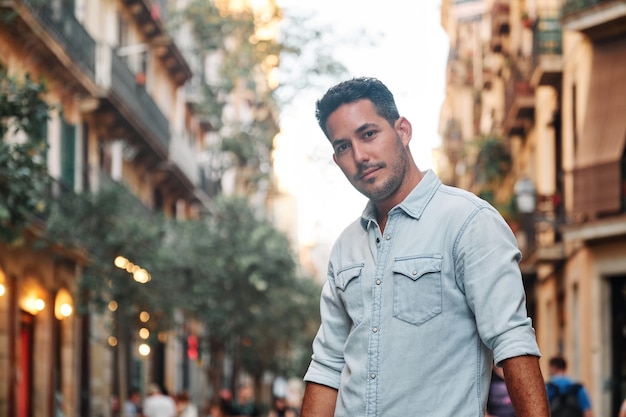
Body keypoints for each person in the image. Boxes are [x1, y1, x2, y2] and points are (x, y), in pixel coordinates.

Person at [299, 77, 549, 417]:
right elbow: (328, 366)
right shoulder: (345, 248)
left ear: (402, 130)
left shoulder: (468, 222)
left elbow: (512, 341)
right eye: (343, 146)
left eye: (368, 134)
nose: (360, 156)